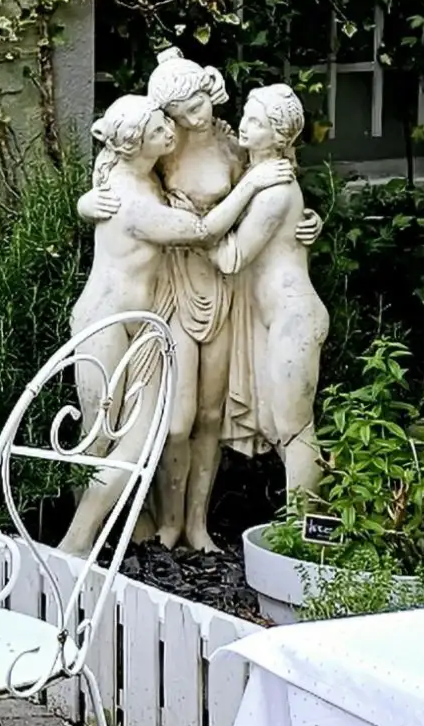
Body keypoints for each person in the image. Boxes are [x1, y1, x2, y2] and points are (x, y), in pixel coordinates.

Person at [61, 97, 293, 557]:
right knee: (105, 437)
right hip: (107, 321)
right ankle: (76, 543)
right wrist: (252, 185)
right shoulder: (131, 200)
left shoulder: (128, 173)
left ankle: (106, 531)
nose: (169, 133)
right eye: (157, 131)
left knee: (131, 435)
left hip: (141, 324)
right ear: (135, 145)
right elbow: (205, 231)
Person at [210, 84, 330, 502]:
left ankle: (306, 531)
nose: (245, 126)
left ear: (281, 137)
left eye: (257, 123)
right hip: (270, 317)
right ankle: (309, 525)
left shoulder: (275, 188)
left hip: (292, 317)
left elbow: (232, 258)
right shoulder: (258, 174)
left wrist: (188, 225)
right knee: (278, 425)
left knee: (294, 429)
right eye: (246, 116)